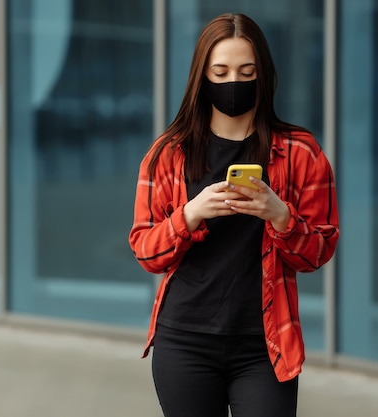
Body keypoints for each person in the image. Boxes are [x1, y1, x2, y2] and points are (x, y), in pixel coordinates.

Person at [128, 13, 339, 417]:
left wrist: (281, 217)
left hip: (265, 343)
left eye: (246, 71)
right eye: (220, 71)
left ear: (264, 75)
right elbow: (146, 252)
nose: (233, 84)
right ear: (201, 76)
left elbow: (319, 251)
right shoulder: (168, 154)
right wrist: (189, 215)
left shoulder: (302, 152)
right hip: (184, 340)